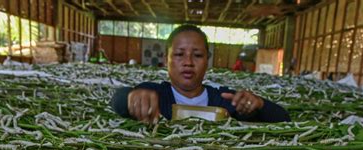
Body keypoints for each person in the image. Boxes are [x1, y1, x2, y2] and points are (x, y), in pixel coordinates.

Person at [111, 25, 290, 124]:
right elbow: (118, 102)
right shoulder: (156, 95)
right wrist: (131, 97)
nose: (188, 62)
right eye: (179, 54)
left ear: (207, 60)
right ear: (166, 59)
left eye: (197, 55)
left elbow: (283, 118)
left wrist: (258, 104)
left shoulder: (224, 99)